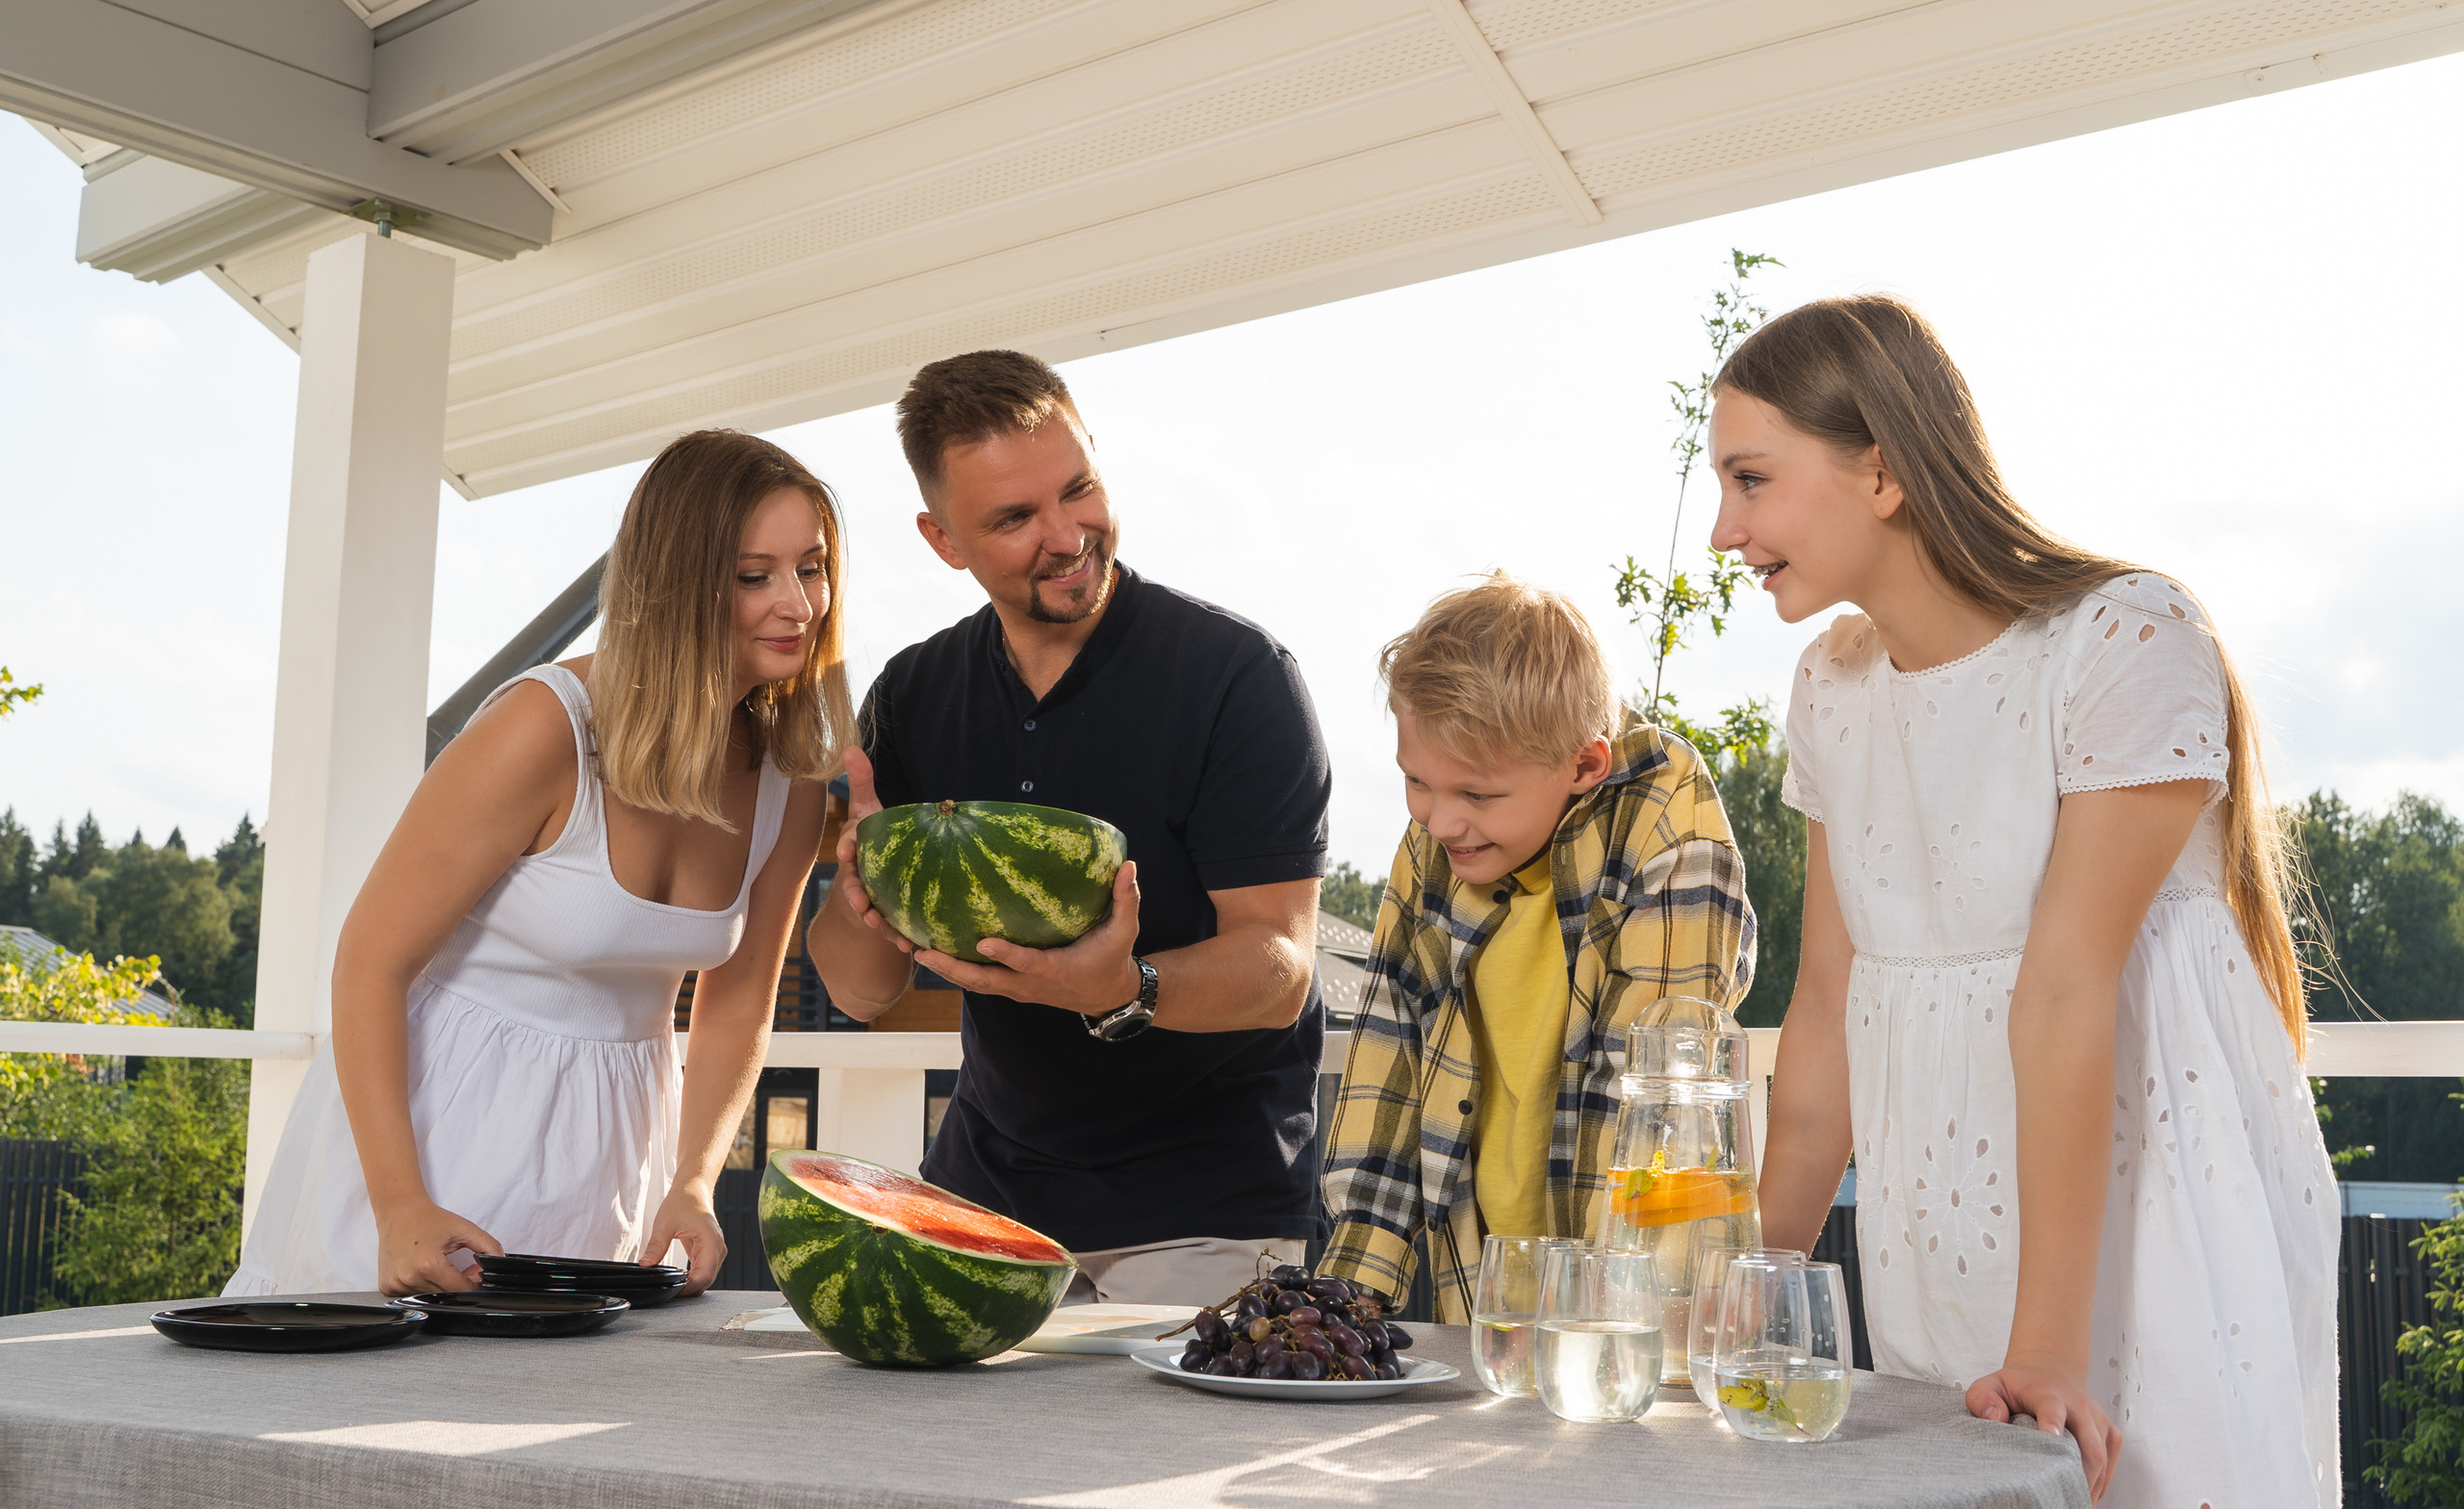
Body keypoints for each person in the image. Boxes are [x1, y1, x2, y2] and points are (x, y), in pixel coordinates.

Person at [1732, 296, 2343, 1509]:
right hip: (1940, 1234)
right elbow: (1826, 1009)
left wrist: (2050, 1352)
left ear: (1881, 469)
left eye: (1751, 478)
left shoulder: (2123, 639)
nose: (1726, 528)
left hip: (2133, 1227)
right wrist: (1736, 1297)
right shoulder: (1834, 685)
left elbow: (2066, 990)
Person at [228, 430, 845, 1298]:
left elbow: (740, 1000)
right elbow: (370, 960)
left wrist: (694, 1179)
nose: (799, 604)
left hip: (607, 1157)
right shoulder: (546, 727)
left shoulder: (792, 779)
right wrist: (399, 1202)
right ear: (679, 583)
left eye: (812, 568)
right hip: (430, 1141)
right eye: (755, 576)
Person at [808, 349, 1328, 1306]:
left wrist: (1124, 988)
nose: (1067, 535)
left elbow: (1280, 969)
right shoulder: (913, 696)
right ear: (943, 540)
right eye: (1014, 519)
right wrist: (860, 893)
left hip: (1207, 1213)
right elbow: (860, 987)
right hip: (986, 1204)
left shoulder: (1236, 677)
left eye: (1078, 489)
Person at [1318, 573, 1757, 1322]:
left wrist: (1607, 1318)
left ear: (1584, 765)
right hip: (1483, 1283)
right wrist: (1346, 1308)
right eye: (1417, 781)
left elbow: (1648, 1094)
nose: (1439, 821)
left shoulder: (1669, 829)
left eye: (1477, 795)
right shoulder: (1434, 845)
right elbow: (1387, 1059)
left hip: (1642, 1292)